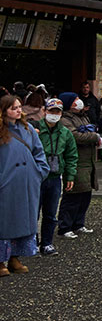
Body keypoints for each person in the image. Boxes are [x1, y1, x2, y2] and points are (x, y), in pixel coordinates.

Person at [0, 94, 49, 276]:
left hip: (27, 182)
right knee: (5, 222)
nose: (18, 110)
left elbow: (39, 152)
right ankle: (1, 260)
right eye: (14, 108)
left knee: (24, 220)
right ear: (4, 110)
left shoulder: (28, 129)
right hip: (7, 183)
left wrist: (39, 172)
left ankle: (15, 257)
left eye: (19, 107)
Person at [34, 97, 77, 255]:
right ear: (45, 111)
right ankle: (32, 243)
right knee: (33, 213)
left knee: (51, 213)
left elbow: (71, 156)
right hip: (36, 177)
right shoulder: (35, 130)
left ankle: (47, 243)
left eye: (57, 112)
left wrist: (70, 176)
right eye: (51, 111)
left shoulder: (65, 133)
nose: (54, 114)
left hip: (55, 177)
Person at [58, 94, 100, 237]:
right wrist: (94, 136)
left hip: (88, 161)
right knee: (73, 195)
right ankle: (65, 226)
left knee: (85, 194)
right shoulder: (65, 120)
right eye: (75, 100)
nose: (79, 102)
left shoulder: (83, 116)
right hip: (76, 161)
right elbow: (75, 136)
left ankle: (78, 224)